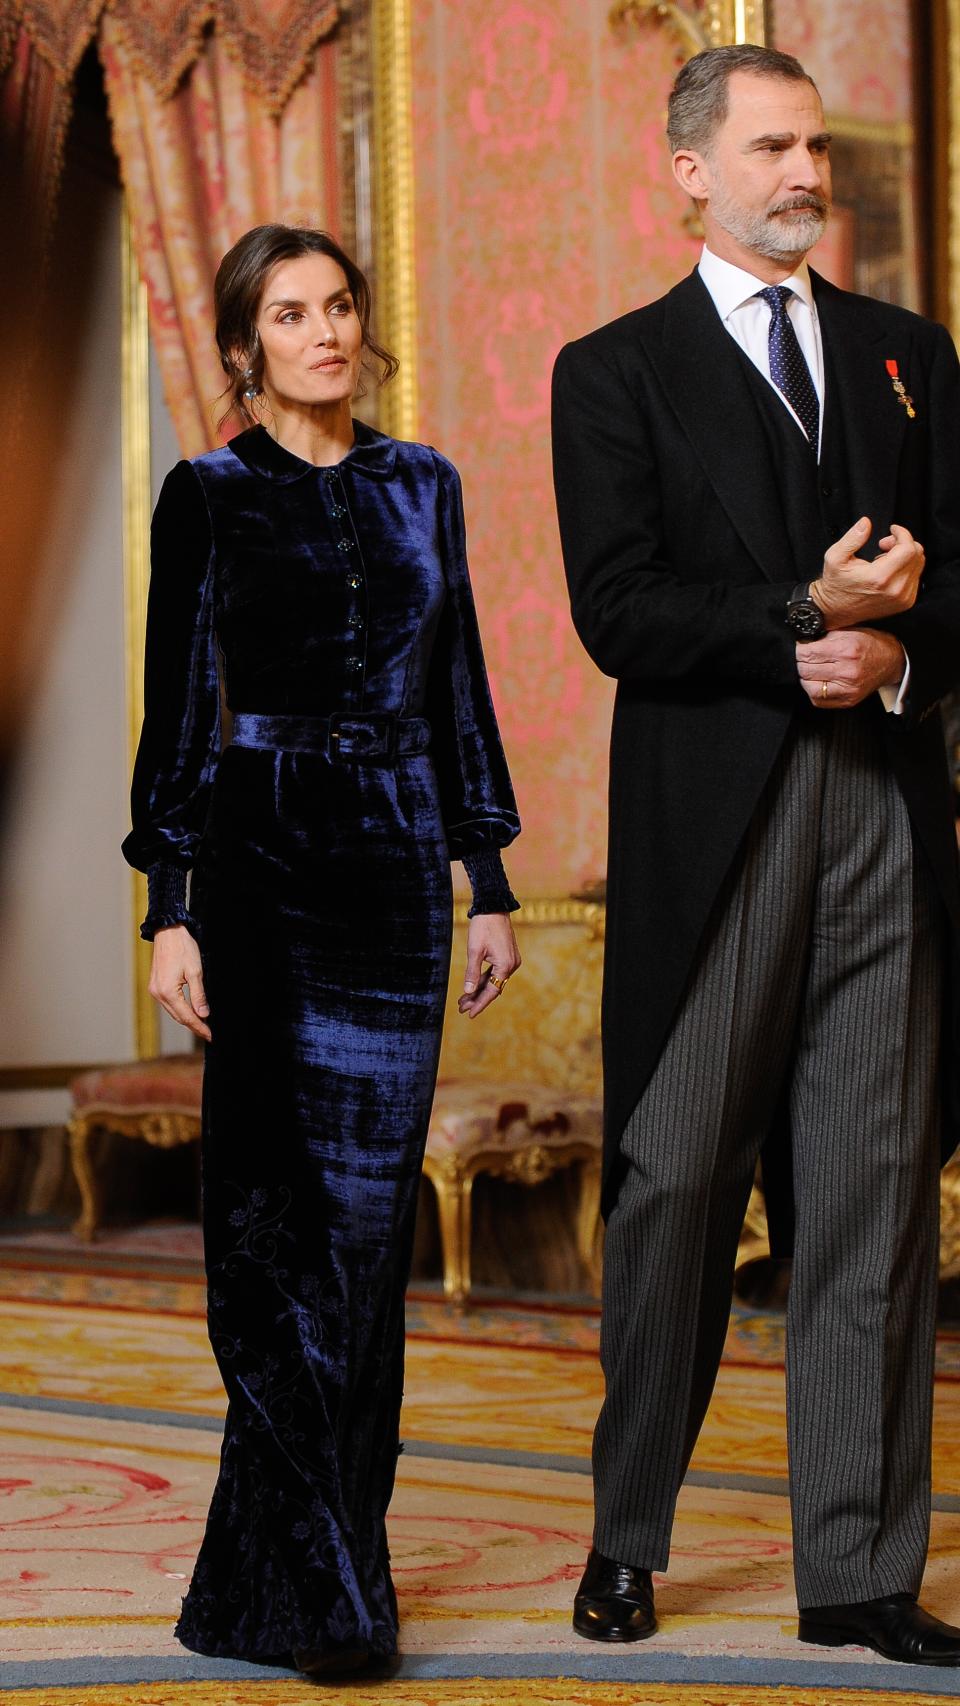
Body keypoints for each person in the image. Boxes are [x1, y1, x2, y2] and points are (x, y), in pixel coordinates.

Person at [552, 44, 960, 1666]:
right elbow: (618, 608)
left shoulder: (911, 356)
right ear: (691, 171)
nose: (807, 171)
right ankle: (626, 1536)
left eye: (815, 147)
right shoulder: (617, 371)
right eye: (772, 146)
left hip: (883, 807)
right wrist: (803, 624)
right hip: (714, 825)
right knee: (672, 1186)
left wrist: (902, 661)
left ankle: (858, 1569)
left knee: (872, 1195)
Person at [122, 224, 521, 1677]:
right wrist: (170, 906)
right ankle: (333, 1597)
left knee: (363, 1243)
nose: (325, 331)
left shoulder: (427, 485)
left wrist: (487, 877)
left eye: (340, 305)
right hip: (261, 863)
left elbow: (461, 678)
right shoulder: (208, 495)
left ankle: (272, 1578)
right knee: (276, 1232)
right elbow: (176, 714)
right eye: (291, 313)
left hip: (401, 868)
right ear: (246, 346)